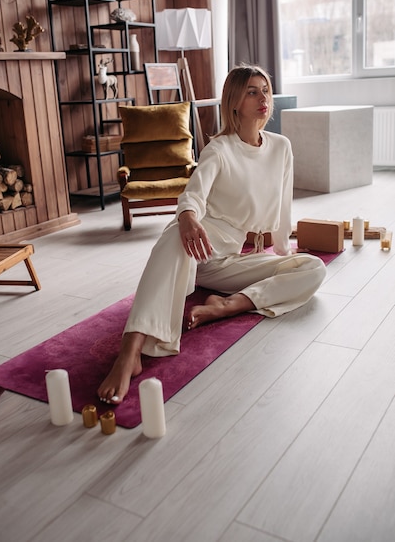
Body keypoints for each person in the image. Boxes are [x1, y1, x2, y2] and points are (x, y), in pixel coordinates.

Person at [98, 63, 327, 404]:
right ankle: (129, 350)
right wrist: (188, 218)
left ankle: (227, 306)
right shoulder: (219, 149)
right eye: (252, 90)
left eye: (265, 90)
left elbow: (283, 202)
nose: (263, 97)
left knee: (314, 268)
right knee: (175, 235)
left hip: (229, 259)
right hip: (198, 245)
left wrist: (283, 250)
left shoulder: (281, 147)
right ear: (234, 102)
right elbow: (192, 195)